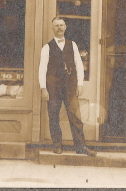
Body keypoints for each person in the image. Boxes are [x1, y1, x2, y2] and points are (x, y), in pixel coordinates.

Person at [39, 17, 96, 156]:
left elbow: (79, 65)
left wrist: (80, 84)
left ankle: (80, 147)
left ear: (65, 27)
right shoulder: (47, 47)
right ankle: (57, 145)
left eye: (62, 25)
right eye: (57, 25)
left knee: (75, 116)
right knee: (53, 116)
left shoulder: (72, 45)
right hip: (53, 86)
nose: (59, 27)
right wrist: (43, 88)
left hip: (70, 86)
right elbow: (42, 69)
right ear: (53, 28)